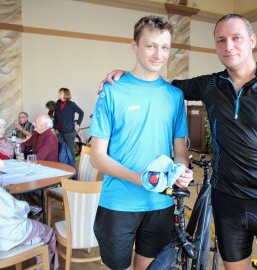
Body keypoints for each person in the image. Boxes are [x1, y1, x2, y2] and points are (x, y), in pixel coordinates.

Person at [99, 14, 257, 270]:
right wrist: (126, 75)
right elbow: (161, 83)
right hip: (227, 203)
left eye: (236, 38)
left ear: (252, 41)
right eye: (221, 40)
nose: (229, 46)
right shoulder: (211, 85)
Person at [89, 15, 193, 270]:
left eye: (165, 47)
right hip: (118, 203)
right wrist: (140, 178)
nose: (159, 54)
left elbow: (180, 151)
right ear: (135, 46)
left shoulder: (175, 96)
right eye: (151, 46)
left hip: (160, 203)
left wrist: (182, 170)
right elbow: (97, 156)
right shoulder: (111, 91)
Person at [0, 145, 59, 269]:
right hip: (4, 236)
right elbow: (11, 210)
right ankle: (47, 266)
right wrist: (26, 207)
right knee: (49, 232)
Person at [53, 88, 84, 159]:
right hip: (60, 132)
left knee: (70, 150)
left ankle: (72, 167)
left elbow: (81, 113)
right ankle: (62, 166)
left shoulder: (71, 104)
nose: (58, 94)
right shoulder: (57, 103)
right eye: (59, 93)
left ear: (65, 94)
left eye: (60, 93)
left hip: (69, 132)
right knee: (60, 149)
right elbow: (55, 116)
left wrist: (78, 123)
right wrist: (54, 127)